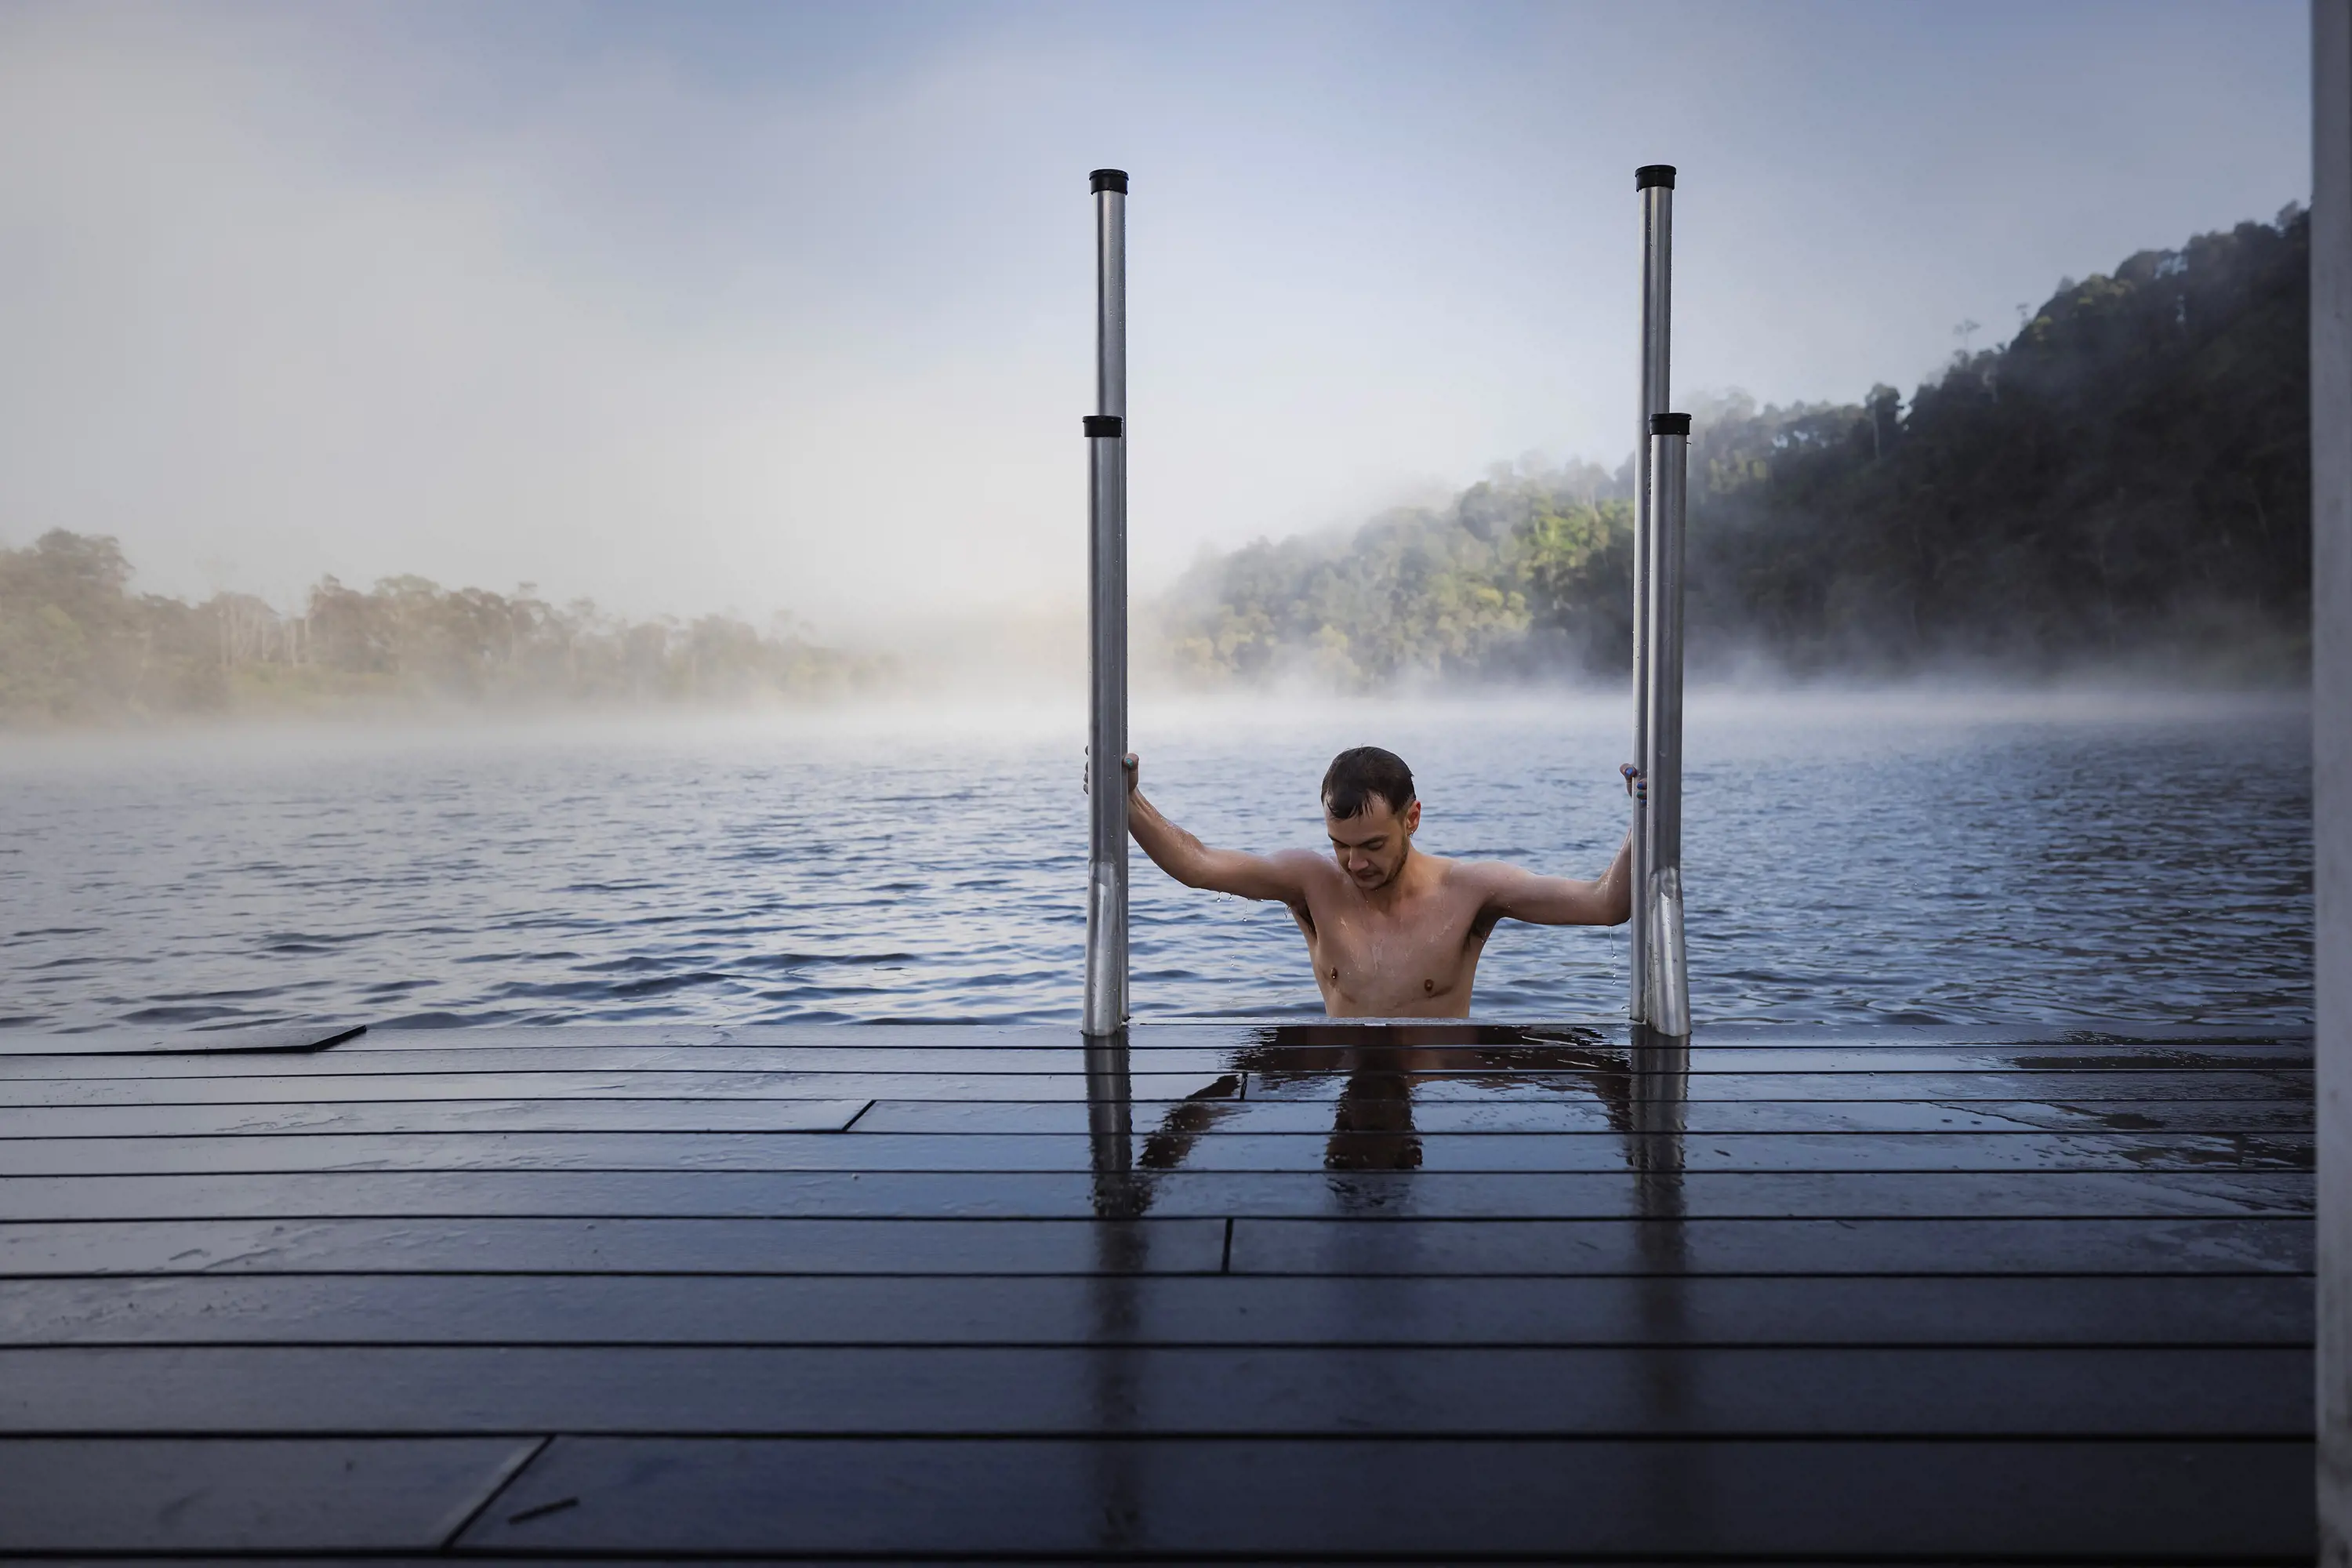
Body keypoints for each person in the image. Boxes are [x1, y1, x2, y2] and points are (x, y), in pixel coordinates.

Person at [1123, 745, 1632, 1018]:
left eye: (1372, 846)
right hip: (1347, 1089)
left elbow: (1605, 903)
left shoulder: (1471, 890)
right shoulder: (1310, 883)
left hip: (1437, 1097)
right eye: (1339, 845)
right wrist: (1128, 801)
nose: (1354, 863)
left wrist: (1644, 815)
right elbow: (1198, 864)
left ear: (1411, 819)